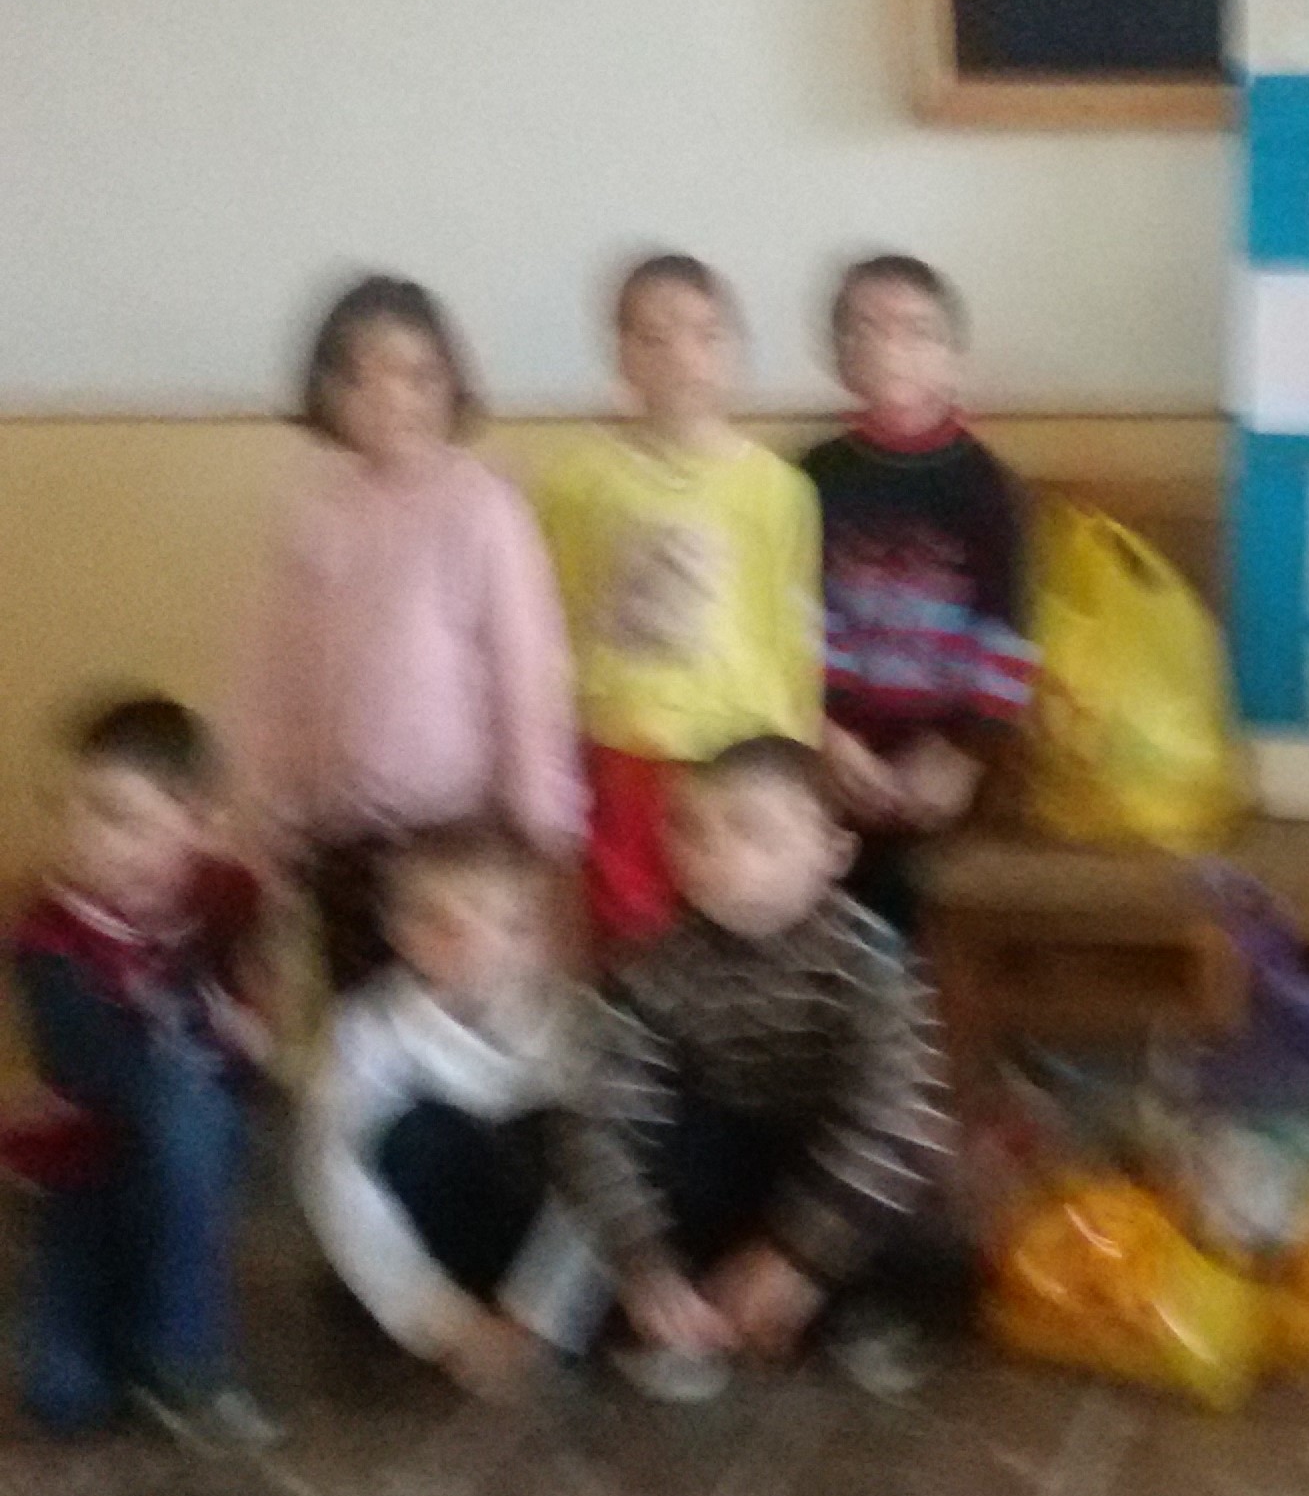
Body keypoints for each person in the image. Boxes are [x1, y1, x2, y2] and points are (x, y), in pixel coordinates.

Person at [559, 737, 958, 1403]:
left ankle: (841, 1307)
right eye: (692, 833)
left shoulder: (870, 965)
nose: (718, 858)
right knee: (644, 1138)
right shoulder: (651, 969)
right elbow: (600, 1121)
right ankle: (696, 1311)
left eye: (754, 833)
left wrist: (799, 1260)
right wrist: (644, 1267)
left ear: (833, 854)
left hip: (831, 1187)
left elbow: (894, 1120)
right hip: (725, 1183)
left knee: (916, 1169)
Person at [231, 275, 581, 990]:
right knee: (364, 1016)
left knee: (459, 1015)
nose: (392, 397)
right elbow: (275, 671)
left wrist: (539, 817)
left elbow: (525, 668)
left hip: (457, 833)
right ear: (327, 390)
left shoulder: (483, 507)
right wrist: (269, 808)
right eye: (363, 377)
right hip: (342, 833)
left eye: (418, 376)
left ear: (451, 385)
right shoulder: (314, 514)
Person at [530, 254, 823, 954]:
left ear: (735, 351)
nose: (682, 357)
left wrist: (799, 757)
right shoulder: (576, 482)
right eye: (654, 337)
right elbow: (550, 622)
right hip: (624, 746)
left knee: (745, 931)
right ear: (622, 356)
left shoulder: (778, 489)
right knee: (632, 934)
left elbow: (794, 627)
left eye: (705, 334)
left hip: (740, 749)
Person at [10, 697, 278, 1446]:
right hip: (91, 1169)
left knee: (198, 1113)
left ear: (197, 824)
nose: (90, 840)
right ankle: (137, 1328)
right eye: (74, 813)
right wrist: (213, 1049)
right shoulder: (47, 937)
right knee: (65, 1399)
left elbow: (255, 962)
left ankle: (188, 1361)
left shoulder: (224, 895)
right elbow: (92, 1067)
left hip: (194, 1150)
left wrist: (251, 1019)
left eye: (119, 817)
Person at [297, 822, 605, 1401]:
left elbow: (611, 1175)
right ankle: (447, 1313)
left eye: (507, 924)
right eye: (436, 920)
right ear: (396, 930)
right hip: (433, 1248)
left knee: (591, 1140)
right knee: (406, 1134)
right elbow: (336, 1173)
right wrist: (441, 1322)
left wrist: (539, 1317)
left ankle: (540, 1320)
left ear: (539, 935)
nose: (474, 944)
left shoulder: (582, 1024)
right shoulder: (365, 1029)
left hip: (547, 1248)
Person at [801, 255, 1034, 942]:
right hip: (836, 743)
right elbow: (796, 615)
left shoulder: (988, 488)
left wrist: (964, 752)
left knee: (922, 904)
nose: (890, 349)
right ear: (840, 357)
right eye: (865, 330)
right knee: (814, 882)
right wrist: (829, 736)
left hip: (948, 750)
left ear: (952, 357)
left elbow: (1008, 637)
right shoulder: (813, 476)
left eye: (916, 331)